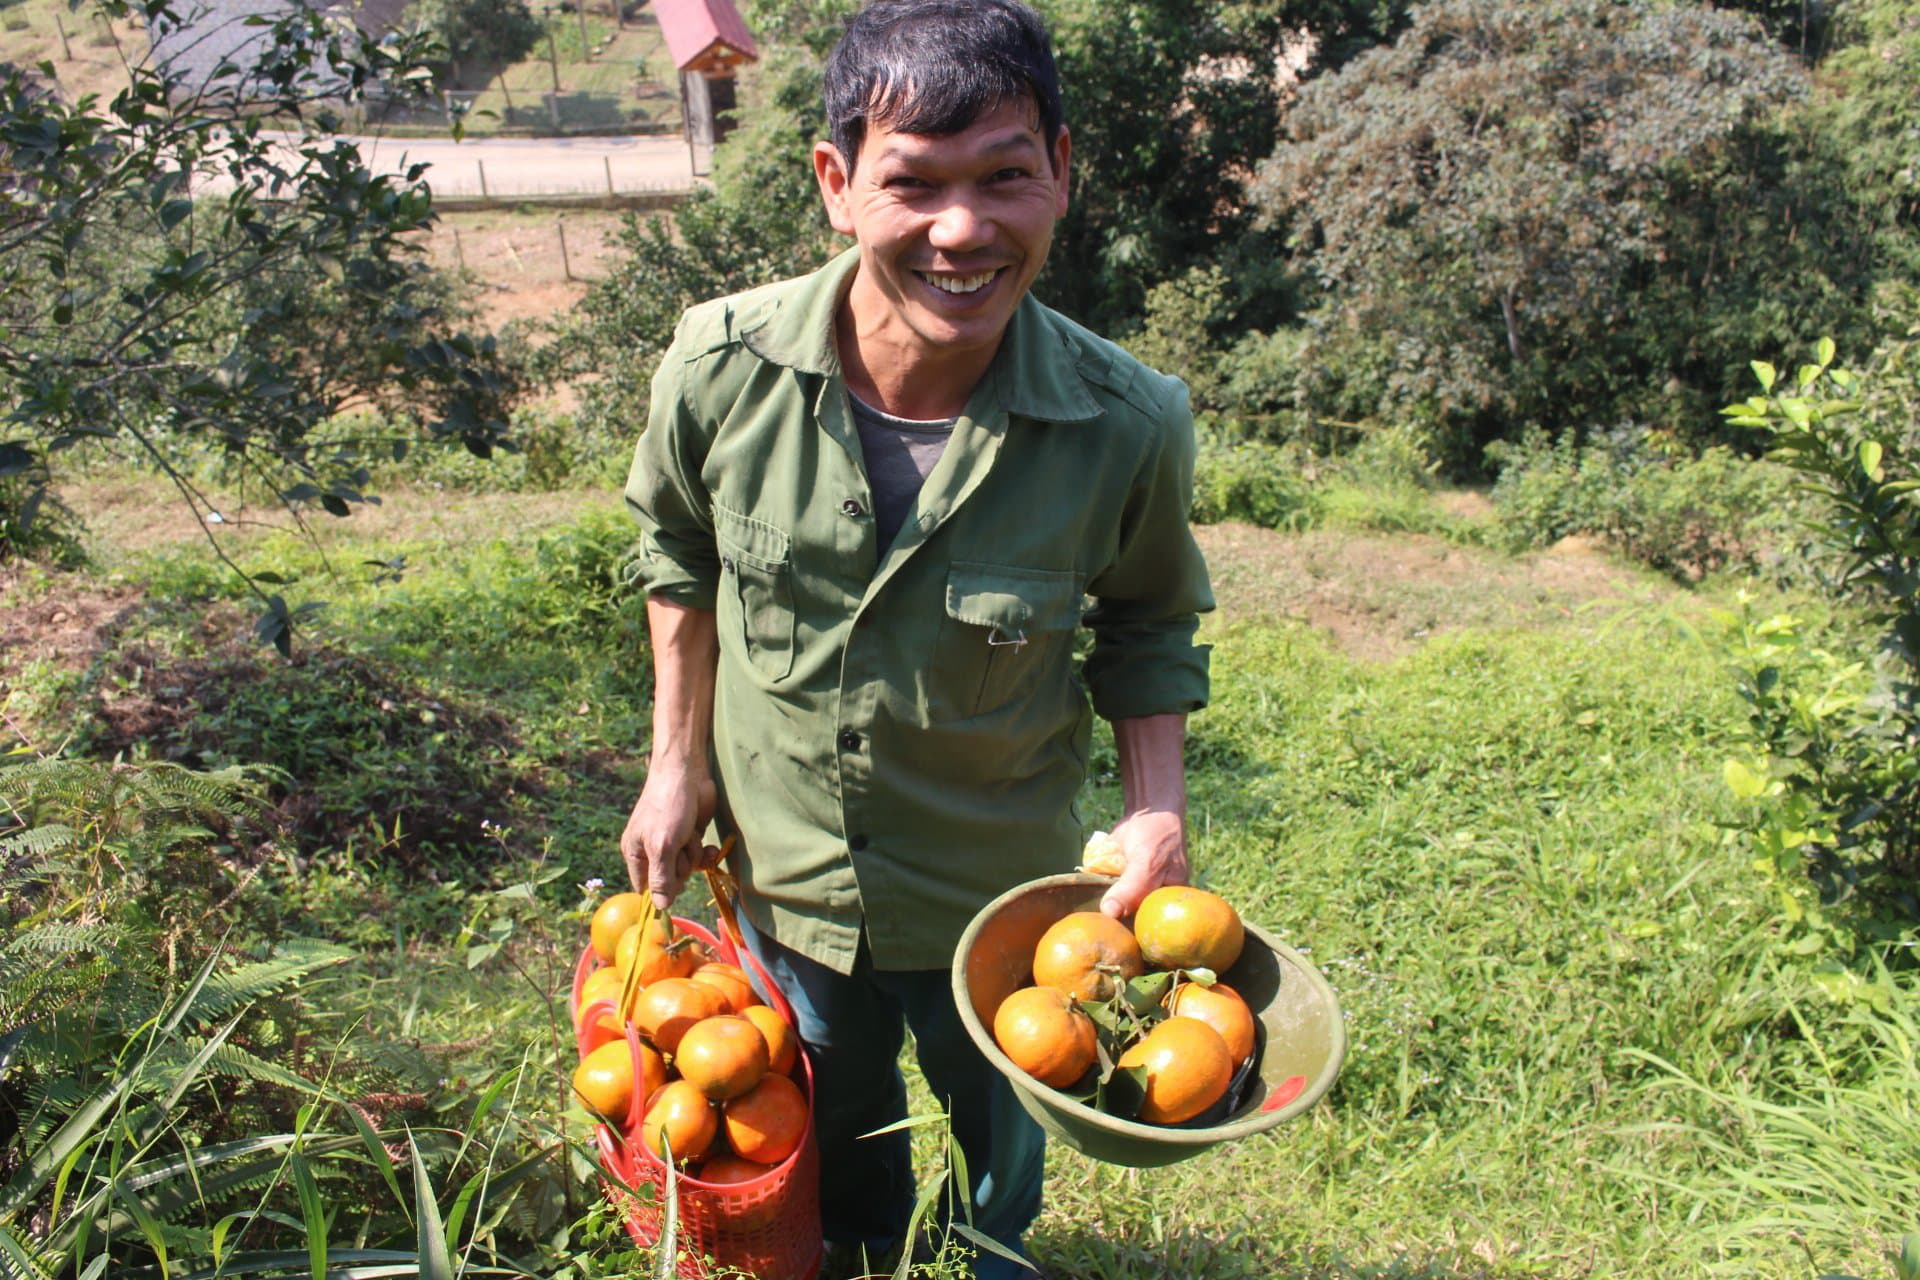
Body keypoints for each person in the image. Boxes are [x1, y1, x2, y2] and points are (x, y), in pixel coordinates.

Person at [618, 1, 1213, 1274]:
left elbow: (1150, 616)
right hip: (786, 870)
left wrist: (1156, 805)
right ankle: (859, 1245)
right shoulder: (719, 371)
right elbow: (677, 550)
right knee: (827, 1122)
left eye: (1005, 176)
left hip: (999, 895)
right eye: (914, 184)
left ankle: (984, 1255)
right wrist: (677, 760)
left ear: (1061, 171)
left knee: (1004, 1144)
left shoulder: (1127, 421)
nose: (962, 230)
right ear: (838, 185)